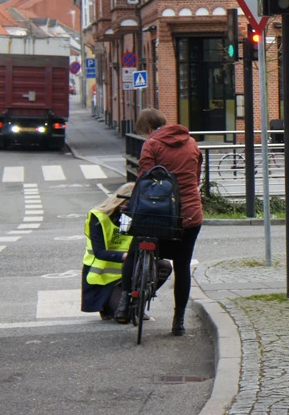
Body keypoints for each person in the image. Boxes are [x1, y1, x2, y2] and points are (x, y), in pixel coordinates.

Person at [132, 108, 204, 336]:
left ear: (149, 128)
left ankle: (126, 303)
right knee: (182, 266)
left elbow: (145, 179)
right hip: (189, 214)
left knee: (137, 248)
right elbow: (196, 177)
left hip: (160, 215)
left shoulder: (152, 144)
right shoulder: (191, 142)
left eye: (144, 132)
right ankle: (178, 321)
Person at [82, 182, 135, 320]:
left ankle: (136, 304)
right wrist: (127, 256)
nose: (127, 208)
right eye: (126, 204)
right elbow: (99, 252)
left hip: (127, 274)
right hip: (103, 278)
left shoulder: (136, 216)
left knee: (163, 267)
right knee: (124, 317)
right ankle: (107, 305)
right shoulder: (99, 216)